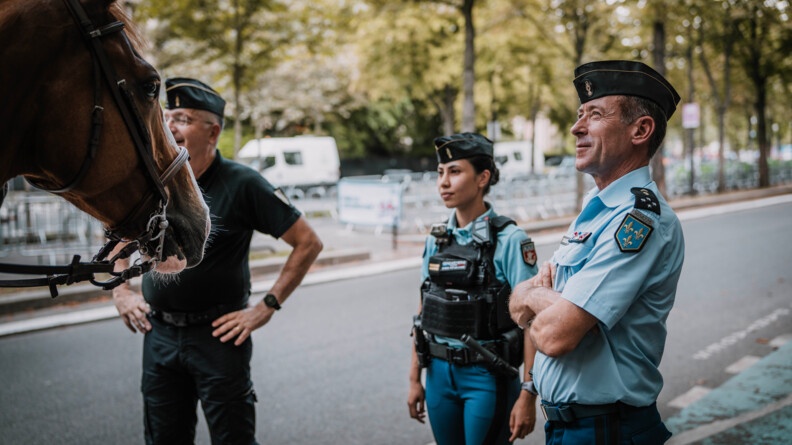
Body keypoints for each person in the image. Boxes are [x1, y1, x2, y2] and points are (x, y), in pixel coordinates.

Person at [112, 77, 323, 444]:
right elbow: (119, 237)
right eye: (166, 117)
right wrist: (121, 292)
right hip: (159, 335)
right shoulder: (154, 182)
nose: (170, 127)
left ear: (213, 133)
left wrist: (265, 307)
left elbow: (308, 242)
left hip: (219, 337)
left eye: (183, 118)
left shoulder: (243, 183)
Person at [508, 60, 684, 444]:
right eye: (579, 114)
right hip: (571, 427)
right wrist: (542, 304)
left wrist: (531, 293)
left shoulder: (639, 221)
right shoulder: (596, 210)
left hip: (607, 430)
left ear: (641, 130)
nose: (576, 127)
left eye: (595, 115)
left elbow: (553, 335)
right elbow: (522, 314)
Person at [408, 132, 540, 444]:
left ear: (482, 178)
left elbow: (532, 323)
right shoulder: (436, 239)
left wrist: (528, 393)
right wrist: (415, 378)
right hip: (438, 374)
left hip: (486, 376)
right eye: (441, 173)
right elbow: (422, 312)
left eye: (454, 172)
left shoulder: (510, 240)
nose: (443, 182)